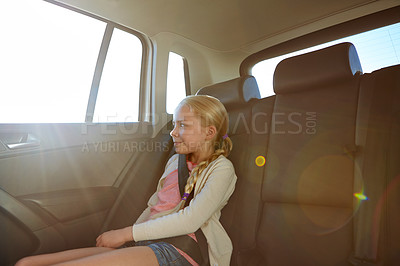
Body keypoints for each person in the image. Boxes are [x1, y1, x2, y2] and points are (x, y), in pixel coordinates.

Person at [16, 95, 237, 266]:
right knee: (26, 263)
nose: (173, 133)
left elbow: (190, 220)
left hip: (178, 251)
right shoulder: (174, 163)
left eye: (182, 125)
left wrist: (124, 233)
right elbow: (154, 207)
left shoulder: (221, 169)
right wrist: (130, 241)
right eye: (173, 125)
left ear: (209, 133)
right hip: (147, 244)